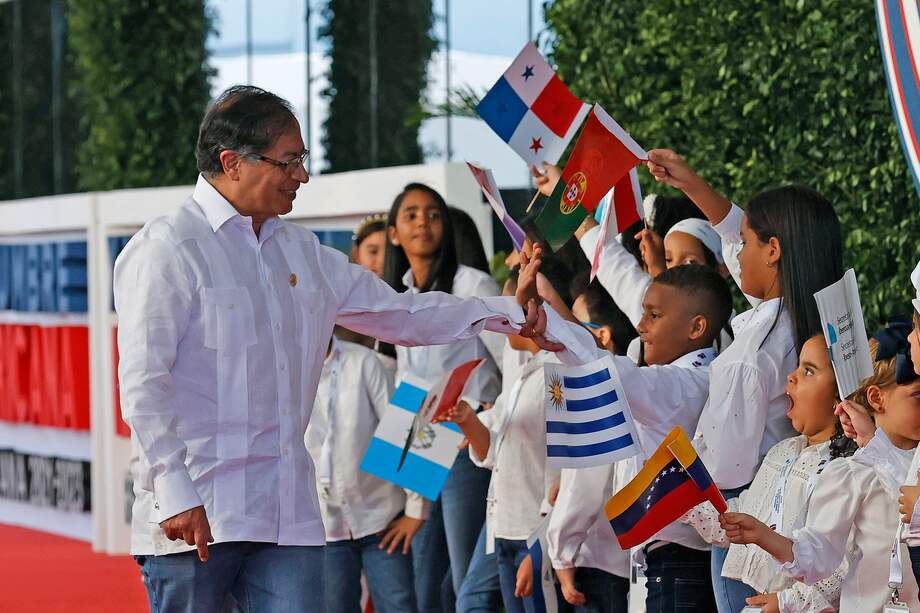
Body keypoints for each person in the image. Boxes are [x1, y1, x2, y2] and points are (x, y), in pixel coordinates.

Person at [115, 85, 583, 613]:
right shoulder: (165, 248)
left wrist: (511, 314)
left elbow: (403, 313)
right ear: (232, 163)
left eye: (303, 159)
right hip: (194, 512)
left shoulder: (301, 252)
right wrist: (172, 488)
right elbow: (143, 383)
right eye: (289, 161)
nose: (303, 176)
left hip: (286, 517)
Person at [646, 148, 844, 612]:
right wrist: (693, 185)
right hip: (794, 521)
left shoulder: (751, 355)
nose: (736, 252)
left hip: (743, 528)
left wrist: (672, 493)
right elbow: (739, 240)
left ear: (773, 251)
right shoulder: (810, 322)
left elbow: (723, 468)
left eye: (747, 243)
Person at [534, 264, 733, 612]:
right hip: (664, 562)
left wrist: (552, 321)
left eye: (653, 315)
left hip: (677, 564)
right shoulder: (691, 378)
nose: (640, 326)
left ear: (696, 327)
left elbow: (612, 375)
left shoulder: (685, 385)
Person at [721, 327, 920, 610]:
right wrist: (767, 537)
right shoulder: (851, 473)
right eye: (918, 396)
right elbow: (822, 554)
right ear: (876, 398)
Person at [381, 182, 503, 612]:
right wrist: (398, 459)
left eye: (433, 213)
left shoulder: (474, 283)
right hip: (418, 439)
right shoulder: (398, 293)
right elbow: (408, 383)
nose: (423, 222)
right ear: (394, 232)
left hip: (465, 441)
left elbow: (512, 359)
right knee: (423, 572)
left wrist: (489, 417)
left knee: (465, 571)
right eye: (411, 214)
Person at [436, 258, 574, 612]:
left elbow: (565, 466)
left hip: (534, 533)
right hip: (506, 530)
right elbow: (492, 451)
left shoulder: (557, 374)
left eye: (505, 307)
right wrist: (467, 419)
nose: (499, 321)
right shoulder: (524, 376)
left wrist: (540, 545)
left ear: (534, 307)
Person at [683, 333, 857, 612]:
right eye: (798, 366)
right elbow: (741, 519)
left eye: (808, 370)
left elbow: (846, 560)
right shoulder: (782, 452)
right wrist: (686, 501)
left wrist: (790, 600)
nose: (791, 376)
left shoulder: (847, 468)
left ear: (840, 396)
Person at [305, 335, 421, 612]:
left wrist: (416, 510)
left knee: (400, 606)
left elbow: (404, 431)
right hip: (324, 526)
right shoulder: (283, 374)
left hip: (382, 517)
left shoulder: (365, 361)